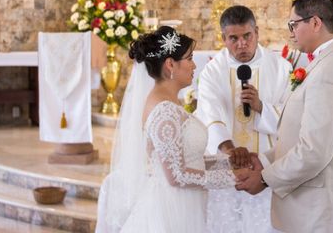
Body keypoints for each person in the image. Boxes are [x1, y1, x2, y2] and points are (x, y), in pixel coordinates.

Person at [235, 0, 333, 233]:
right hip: (321, 209)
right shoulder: (332, 61)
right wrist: (265, 159)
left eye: (294, 24)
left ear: (316, 23)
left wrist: (265, 177)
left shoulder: (330, 72)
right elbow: (302, 134)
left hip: (323, 213)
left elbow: (314, 151)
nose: (290, 33)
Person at [95, 26, 236, 233]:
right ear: (170, 64)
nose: (194, 65)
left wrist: (226, 163)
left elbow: (186, 158)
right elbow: (176, 175)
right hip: (173, 210)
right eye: (189, 58)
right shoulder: (164, 111)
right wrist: (233, 178)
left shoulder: (169, 102)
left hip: (186, 204)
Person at [195, 5, 292, 232]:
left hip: (267, 167)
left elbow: (292, 115)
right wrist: (230, 150)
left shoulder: (281, 68)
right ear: (224, 38)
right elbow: (210, 113)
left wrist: (261, 107)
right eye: (234, 38)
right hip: (227, 167)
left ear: (257, 32)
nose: (242, 44)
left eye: (247, 36)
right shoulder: (212, 71)